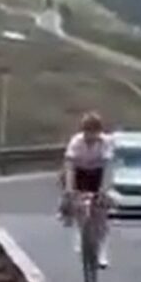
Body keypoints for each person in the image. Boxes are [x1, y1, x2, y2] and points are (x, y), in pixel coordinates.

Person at [62, 112, 114, 268]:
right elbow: (70, 167)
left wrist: (104, 190)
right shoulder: (76, 142)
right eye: (87, 132)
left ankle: (102, 250)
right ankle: (80, 231)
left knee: (100, 214)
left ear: (99, 132)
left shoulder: (106, 142)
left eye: (93, 133)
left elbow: (108, 168)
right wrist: (69, 189)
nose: (90, 136)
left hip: (98, 173)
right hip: (80, 172)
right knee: (77, 204)